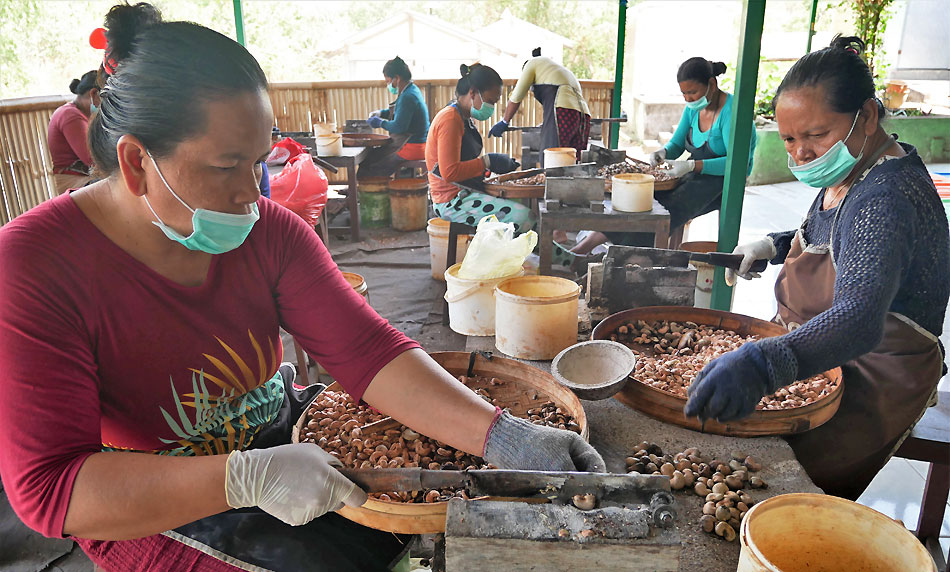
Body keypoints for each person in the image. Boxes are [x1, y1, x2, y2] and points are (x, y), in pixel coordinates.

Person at [0, 5, 604, 571]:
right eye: (225, 166)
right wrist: (243, 479)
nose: (251, 191)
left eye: (258, 161)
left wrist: (502, 434)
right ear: (136, 163)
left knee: (388, 541)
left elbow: (367, 353)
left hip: (279, 433)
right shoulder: (33, 268)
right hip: (144, 498)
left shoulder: (268, 232)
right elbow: (52, 491)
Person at [684, 36, 949, 501]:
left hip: (871, 373)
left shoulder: (885, 198)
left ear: (866, 116)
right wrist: (773, 244)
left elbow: (861, 318)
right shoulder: (858, 166)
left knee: (774, 487)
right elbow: (835, 234)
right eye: (789, 138)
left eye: (815, 135)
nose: (801, 152)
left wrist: (764, 363)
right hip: (822, 349)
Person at [572, 57, 757, 255]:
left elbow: (739, 165)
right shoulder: (693, 110)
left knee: (669, 209)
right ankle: (586, 247)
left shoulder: (733, 113)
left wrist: (692, 166)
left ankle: (629, 255)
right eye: (684, 94)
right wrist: (663, 153)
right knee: (643, 199)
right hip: (695, 175)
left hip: (724, 181)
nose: (688, 99)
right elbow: (677, 144)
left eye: (693, 93)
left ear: (712, 84)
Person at [427, 63, 576, 268]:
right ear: (472, 93)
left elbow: (463, 163)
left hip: (465, 190)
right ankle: (566, 261)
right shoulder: (450, 120)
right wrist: (487, 162)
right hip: (451, 200)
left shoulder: (462, 117)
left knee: (525, 207)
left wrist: (489, 169)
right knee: (522, 217)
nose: (491, 107)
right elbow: (449, 172)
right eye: (490, 101)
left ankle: (567, 259)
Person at [490, 48, 591, 164]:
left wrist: (504, 122)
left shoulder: (531, 64)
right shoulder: (555, 70)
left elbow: (516, 96)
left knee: (552, 160)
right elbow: (571, 108)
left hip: (563, 112)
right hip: (583, 116)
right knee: (572, 162)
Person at [359, 56, 430, 178]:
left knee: (375, 166)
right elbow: (402, 113)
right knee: (369, 157)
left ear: (397, 78)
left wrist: (380, 123)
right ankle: (357, 189)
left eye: (388, 81)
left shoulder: (408, 96)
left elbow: (399, 126)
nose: (388, 85)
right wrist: (382, 113)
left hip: (412, 146)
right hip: (415, 143)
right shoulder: (410, 90)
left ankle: (366, 193)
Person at [47, 70, 100, 194]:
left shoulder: (78, 113)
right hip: (74, 181)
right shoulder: (71, 116)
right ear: (93, 94)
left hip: (83, 178)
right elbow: (92, 160)